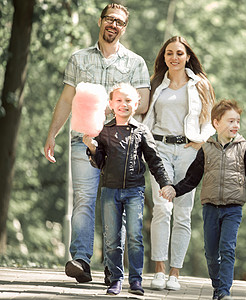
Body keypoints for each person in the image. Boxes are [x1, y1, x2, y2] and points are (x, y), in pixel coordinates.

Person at [43, 3, 150, 284]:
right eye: (110, 20)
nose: (114, 25)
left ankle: (113, 267)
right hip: (83, 140)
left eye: (120, 22)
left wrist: (109, 108)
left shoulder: (135, 62)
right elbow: (67, 100)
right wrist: (52, 133)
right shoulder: (78, 59)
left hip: (120, 145)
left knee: (115, 205)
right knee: (84, 200)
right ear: (100, 21)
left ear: (124, 28)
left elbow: (144, 103)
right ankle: (81, 260)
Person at [160, 99, 246, 300]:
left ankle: (224, 291)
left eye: (238, 121)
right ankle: (218, 288)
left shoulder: (244, 149)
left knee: (227, 248)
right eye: (231, 121)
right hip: (210, 208)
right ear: (216, 123)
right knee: (211, 253)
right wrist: (174, 189)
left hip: (233, 209)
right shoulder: (206, 149)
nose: (236, 125)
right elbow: (192, 179)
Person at [83, 83, 172, 295]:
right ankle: (115, 279)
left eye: (128, 101)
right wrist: (92, 148)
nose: (124, 104)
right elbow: (99, 162)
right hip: (109, 191)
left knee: (134, 237)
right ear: (111, 104)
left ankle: (136, 280)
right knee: (112, 238)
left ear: (136, 104)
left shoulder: (141, 131)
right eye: (119, 101)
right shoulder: (103, 131)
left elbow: (155, 160)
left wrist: (166, 183)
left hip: (134, 191)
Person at [142, 36, 216, 291]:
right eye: (169, 53)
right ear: (164, 57)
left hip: (188, 152)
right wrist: (146, 146)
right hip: (159, 149)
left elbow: (210, 118)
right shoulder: (155, 85)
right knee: (162, 208)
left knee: (183, 214)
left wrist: (201, 141)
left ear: (187, 56)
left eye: (179, 53)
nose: (174, 57)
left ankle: (175, 273)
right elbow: (145, 118)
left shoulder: (200, 85)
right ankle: (160, 270)